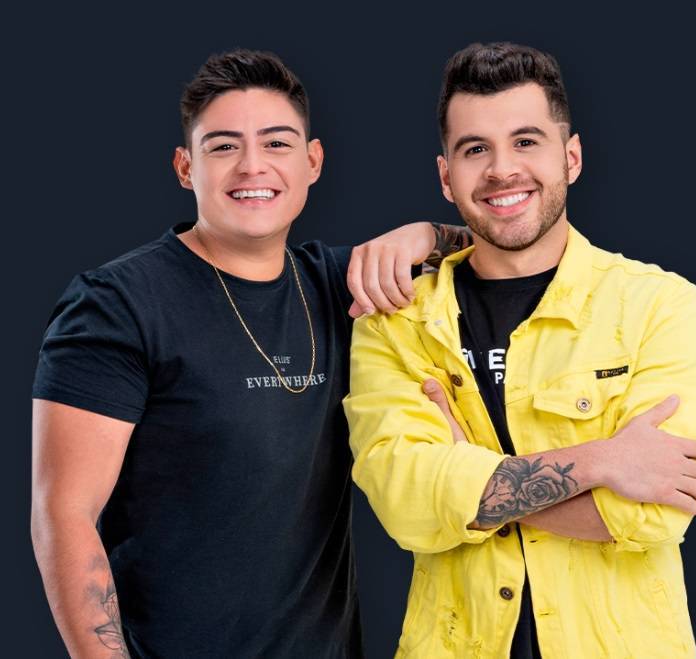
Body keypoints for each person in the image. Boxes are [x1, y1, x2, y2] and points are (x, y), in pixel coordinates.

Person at [30, 49, 471, 659]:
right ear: (186, 167)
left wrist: (422, 233)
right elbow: (64, 515)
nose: (252, 166)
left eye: (277, 143)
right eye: (223, 146)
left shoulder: (341, 282)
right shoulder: (116, 304)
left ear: (313, 162)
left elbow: (497, 247)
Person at [344, 42, 696, 658]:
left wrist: (465, 478)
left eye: (526, 141)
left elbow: (655, 514)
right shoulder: (396, 318)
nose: (502, 170)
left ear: (570, 157)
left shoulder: (659, 305)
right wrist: (603, 461)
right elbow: (404, 504)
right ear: (445, 176)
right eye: (475, 149)